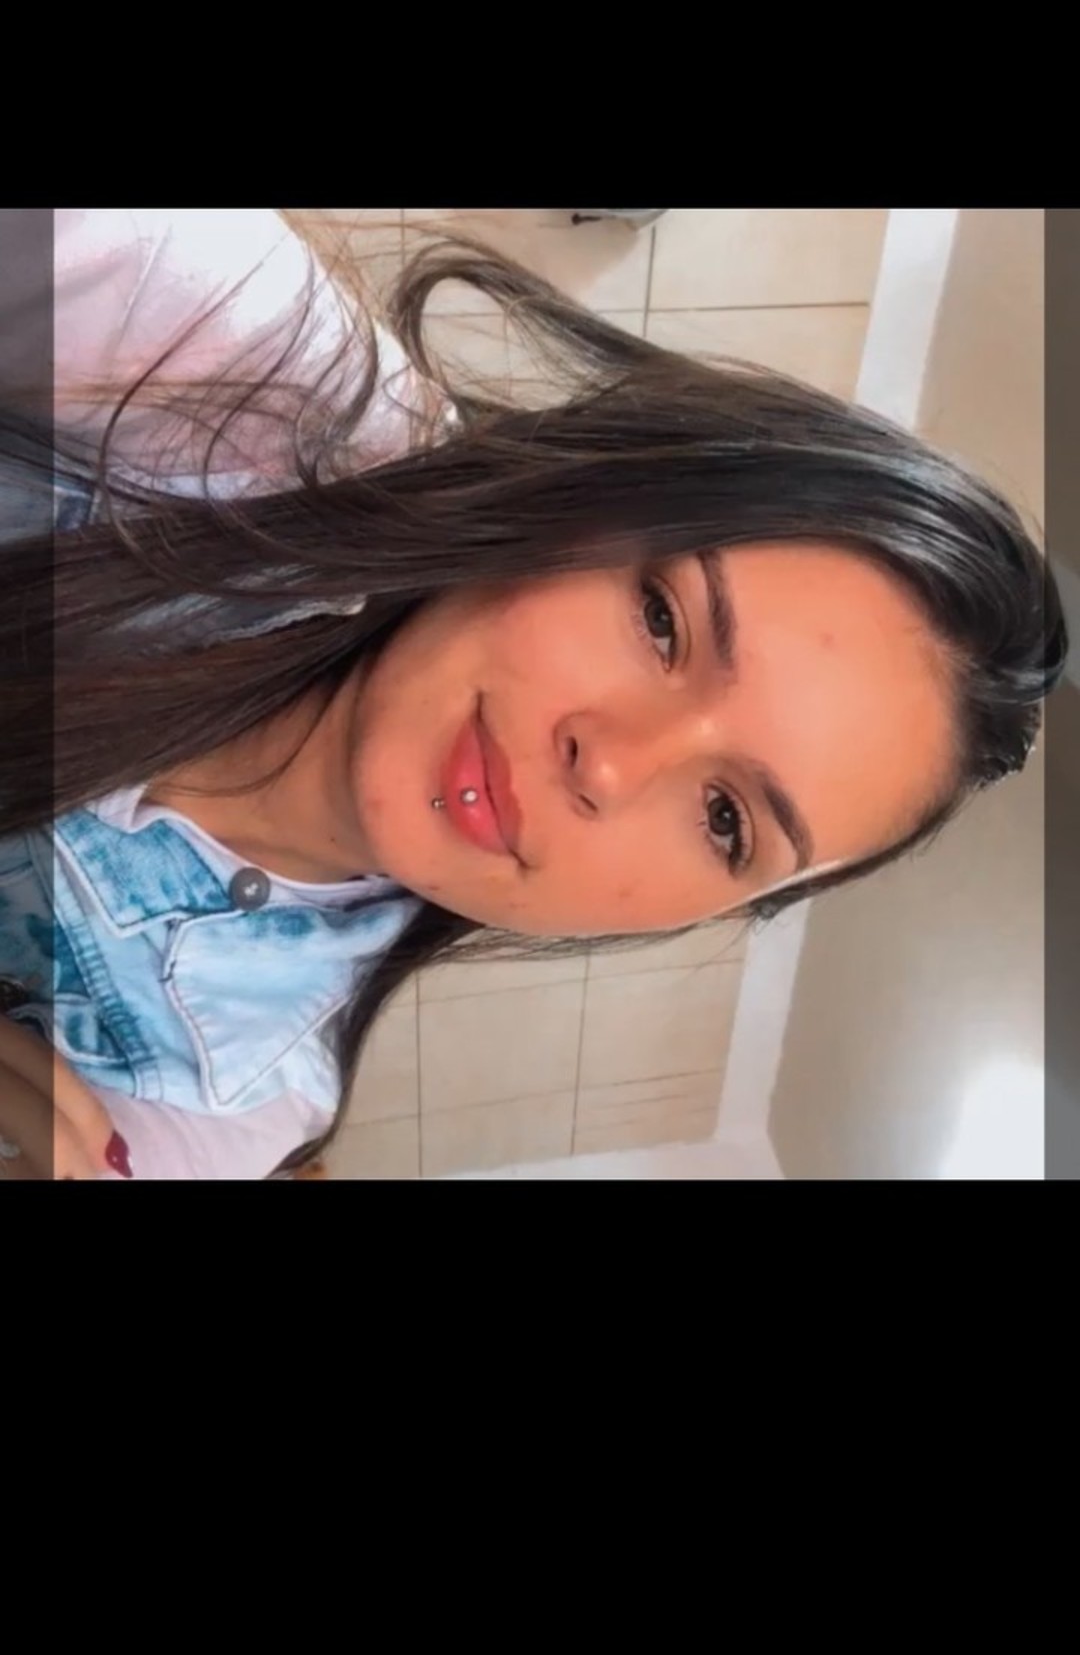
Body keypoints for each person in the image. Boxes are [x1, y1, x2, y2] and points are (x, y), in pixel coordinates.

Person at [0, 209, 1067, 1179]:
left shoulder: (230, 1096)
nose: (612, 764)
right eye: (663, 621)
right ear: (595, 492)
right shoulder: (256, 374)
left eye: (725, 819)